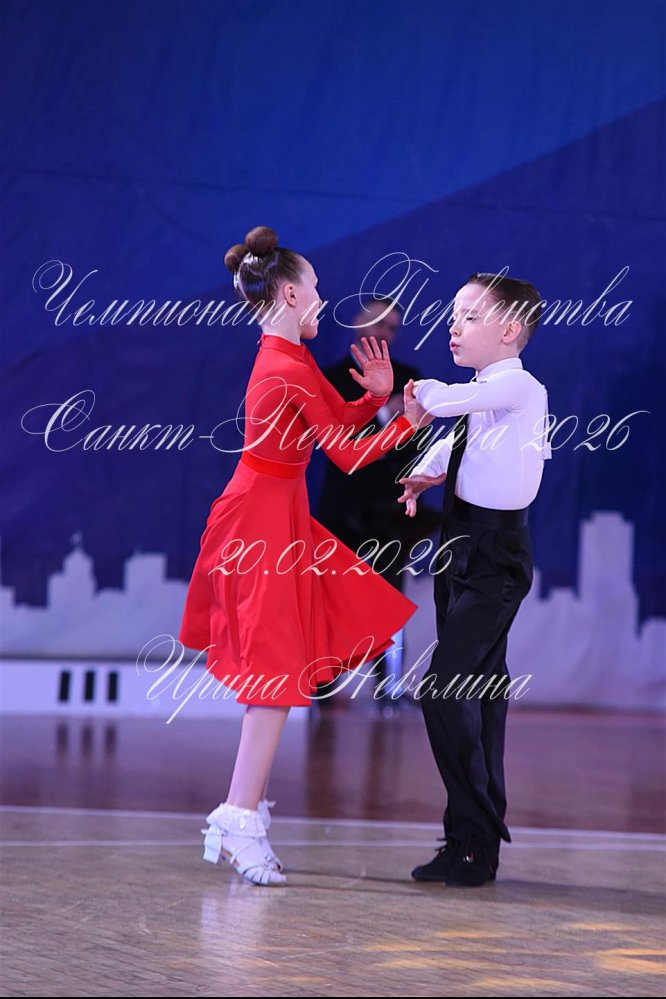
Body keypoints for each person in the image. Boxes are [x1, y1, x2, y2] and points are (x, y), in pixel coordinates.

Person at [178, 225, 434, 886]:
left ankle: (245, 810)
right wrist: (405, 424)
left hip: (280, 516)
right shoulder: (285, 365)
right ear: (291, 294)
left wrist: (375, 397)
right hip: (261, 522)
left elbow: (336, 421)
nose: (322, 298)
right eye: (316, 288)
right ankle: (238, 815)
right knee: (275, 676)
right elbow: (345, 455)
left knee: (285, 667)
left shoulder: (288, 357)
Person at [398, 272, 552, 887]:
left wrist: (420, 393)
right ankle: (468, 842)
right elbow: (464, 442)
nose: (454, 327)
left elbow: (450, 404)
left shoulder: (520, 387)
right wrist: (426, 470)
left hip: (495, 560)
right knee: (479, 693)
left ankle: (481, 828)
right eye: (453, 315)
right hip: (458, 547)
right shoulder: (487, 398)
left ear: (510, 330)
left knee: (444, 689)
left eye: (469, 316)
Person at [315, 297, 441, 709]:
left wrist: (398, 425)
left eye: (392, 327)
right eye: (378, 323)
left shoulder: (409, 380)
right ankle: (321, 684)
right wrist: (384, 420)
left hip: (389, 511)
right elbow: (335, 441)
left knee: (389, 597)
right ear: (357, 324)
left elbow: (418, 442)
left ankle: (388, 686)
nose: (384, 333)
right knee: (331, 594)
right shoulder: (333, 378)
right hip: (343, 507)